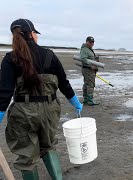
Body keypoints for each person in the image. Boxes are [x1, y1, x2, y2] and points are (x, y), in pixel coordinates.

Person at [0, 18, 82, 180]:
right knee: (48, 146)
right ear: (32, 34)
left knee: (27, 155)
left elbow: (4, 92)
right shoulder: (49, 55)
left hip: (24, 113)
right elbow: (63, 83)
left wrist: (0, 114)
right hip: (49, 110)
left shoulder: (11, 59)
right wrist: (75, 102)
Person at [80, 36, 100, 106]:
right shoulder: (85, 49)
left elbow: (88, 58)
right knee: (90, 84)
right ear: (87, 42)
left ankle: (86, 99)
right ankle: (90, 100)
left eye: (93, 42)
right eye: (90, 42)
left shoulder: (89, 49)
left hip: (89, 70)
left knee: (87, 84)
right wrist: (91, 66)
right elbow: (83, 59)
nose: (92, 43)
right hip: (88, 70)